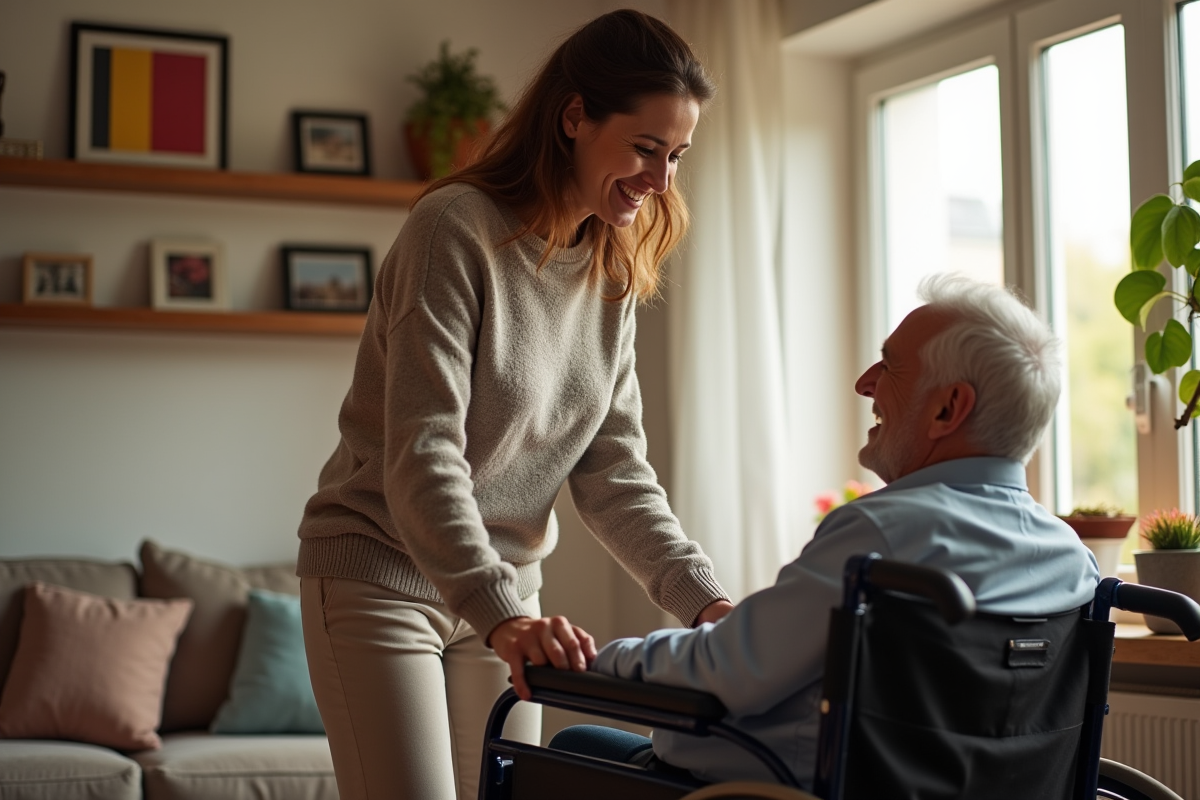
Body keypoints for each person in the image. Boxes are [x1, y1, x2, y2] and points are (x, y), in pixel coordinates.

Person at [296, 10, 734, 800]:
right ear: (574, 117)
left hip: (507, 598)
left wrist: (707, 602)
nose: (661, 180)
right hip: (383, 576)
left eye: (676, 156)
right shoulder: (453, 229)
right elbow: (424, 449)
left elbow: (614, 472)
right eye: (644, 147)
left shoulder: (610, 265)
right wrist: (500, 613)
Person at [555, 273, 1101, 789]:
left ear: (947, 408)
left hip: (769, 789)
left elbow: (724, 672)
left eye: (888, 366)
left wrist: (596, 660)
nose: (865, 382)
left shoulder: (885, 536)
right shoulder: (1072, 561)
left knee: (571, 744)